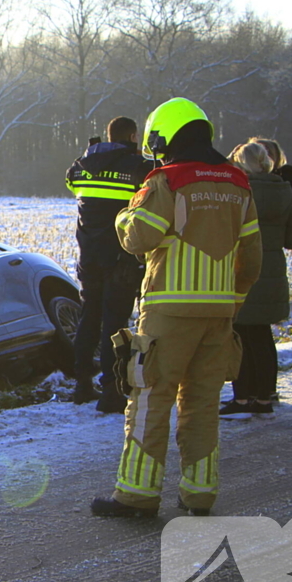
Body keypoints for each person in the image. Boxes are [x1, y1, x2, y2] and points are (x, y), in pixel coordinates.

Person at [90, 98, 263, 518]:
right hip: (219, 314)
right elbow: (252, 260)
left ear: (166, 136)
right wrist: (231, 303)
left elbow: (138, 238)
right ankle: (200, 495)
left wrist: (124, 216)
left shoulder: (166, 180)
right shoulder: (240, 183)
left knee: (150, 397)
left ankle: (136, 496)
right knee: (202, 402)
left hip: (168, 313)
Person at [65, 117, 153, 413]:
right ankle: (113, 392)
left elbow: (70, 182)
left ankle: (81, 386)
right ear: (132, 135)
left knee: (89, 318)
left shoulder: (80, 165)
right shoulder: (138, 166)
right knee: (115, 325)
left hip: (87, 255)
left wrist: (94, 154)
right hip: (121, 257)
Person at [220, 141, 292, 419]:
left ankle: (243, 398)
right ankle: (265, 396)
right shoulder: (285, 191)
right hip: (272, 272)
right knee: (263, 336)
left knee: (241, 335)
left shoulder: (238, 192)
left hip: (243, 268)